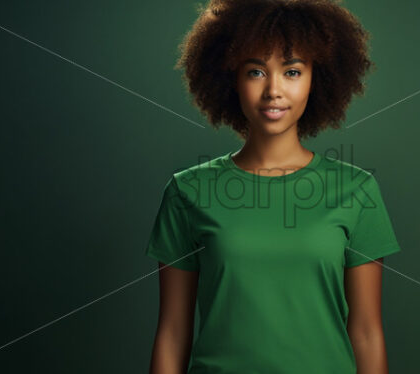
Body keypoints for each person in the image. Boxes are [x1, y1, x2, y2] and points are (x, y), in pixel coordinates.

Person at [146, 1, 401, 373]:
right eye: (255, 72)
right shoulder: (187, 192)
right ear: (230, 78)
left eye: (293, 71)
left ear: (319, 77)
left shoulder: (357, 190)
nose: (274, 91)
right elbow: (172, 333)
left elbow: (366, 333)